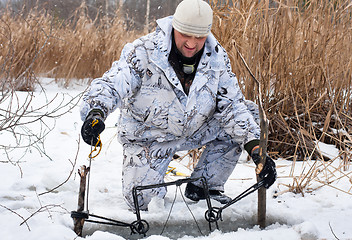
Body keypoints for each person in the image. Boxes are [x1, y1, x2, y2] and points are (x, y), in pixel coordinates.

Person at [80, 0, 276, 211]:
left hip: (194, 129)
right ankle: (150, 184)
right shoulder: (143, 52)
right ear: (174, 27)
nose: (191, 44)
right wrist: (96, 112)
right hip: (149, 137)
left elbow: (232, 107)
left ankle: (204, 187)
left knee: (248, 113)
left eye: (199, 37)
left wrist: (258, 150)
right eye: (186, 35)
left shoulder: (217, 57)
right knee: (143, 203)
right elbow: (112, 84)